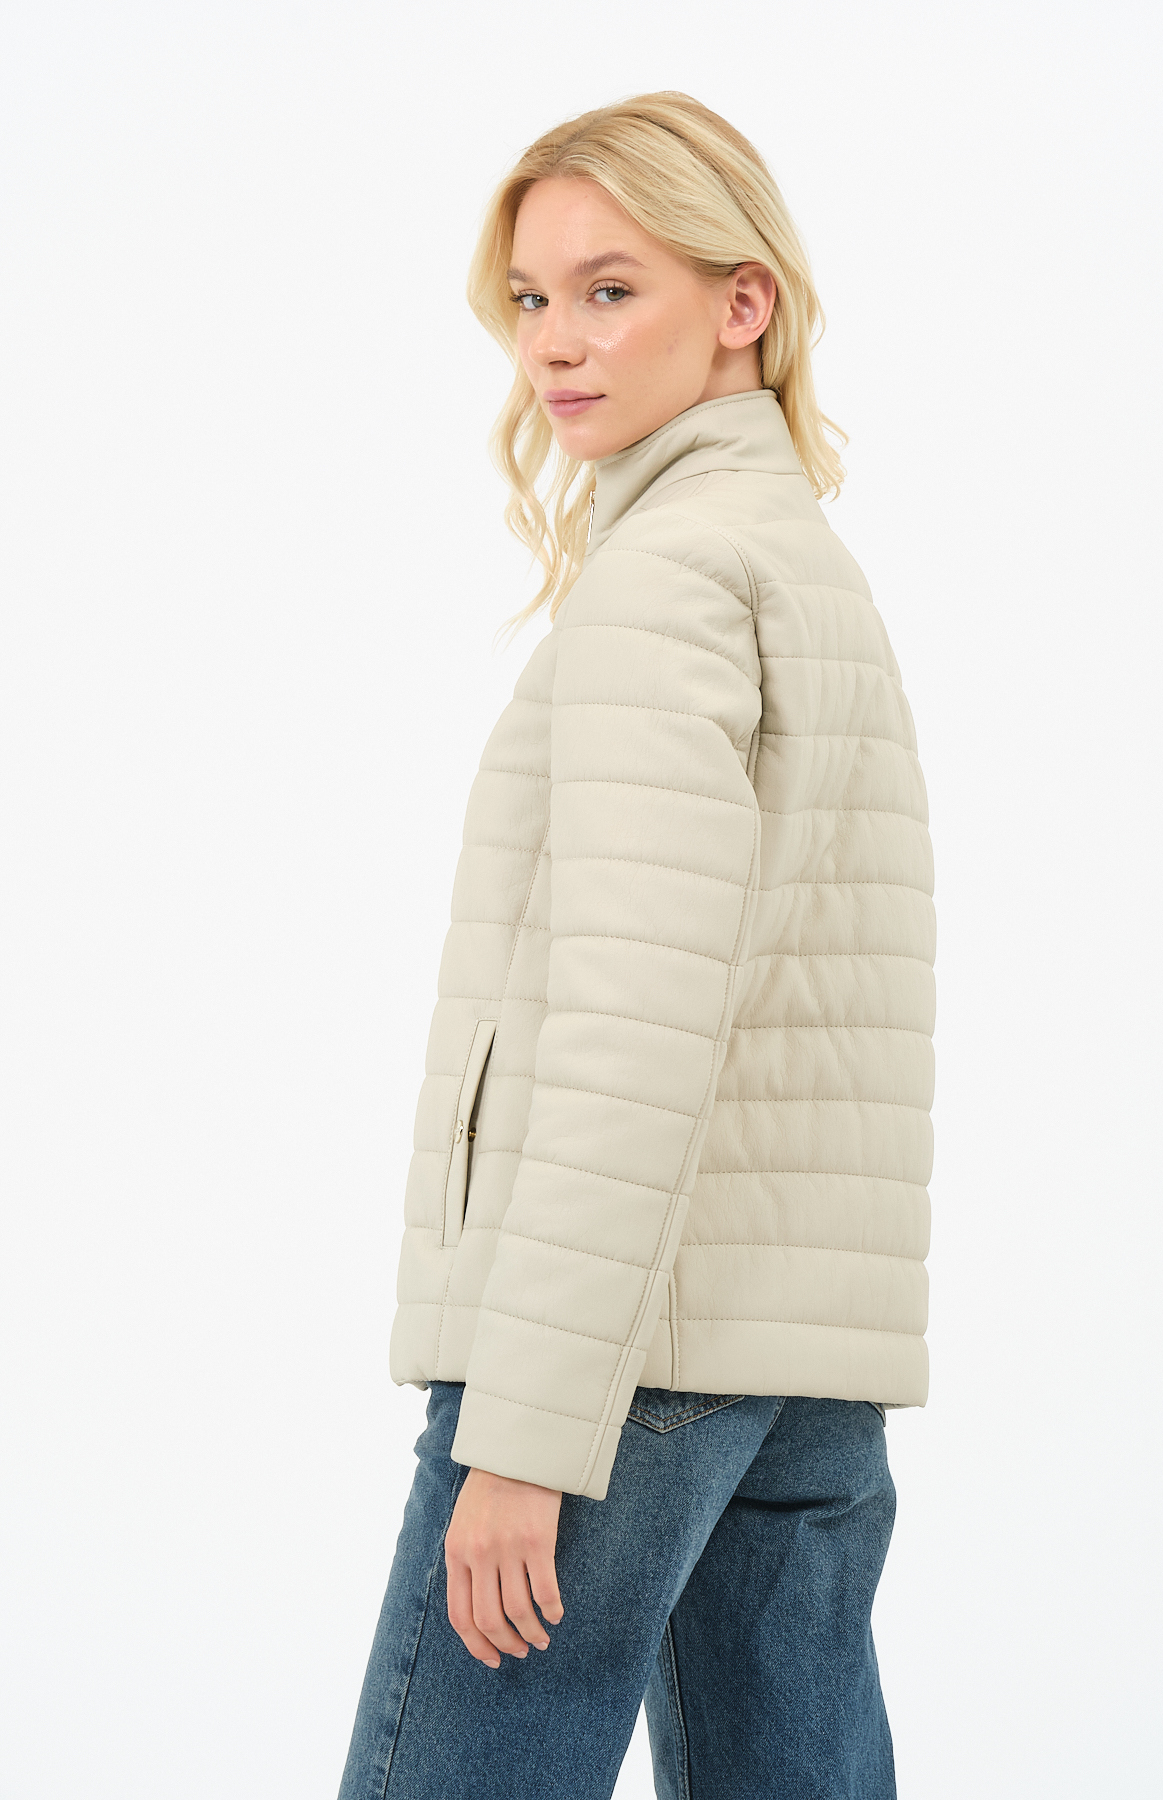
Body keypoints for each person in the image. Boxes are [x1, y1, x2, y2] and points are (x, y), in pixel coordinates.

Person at [337, 91, 934, 1800]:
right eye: (533, 299)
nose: (554, 343)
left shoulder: (669, 581)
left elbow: (629, 1028)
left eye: (611, 290)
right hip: (791, 1363)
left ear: (743, 302)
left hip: (619, 1371)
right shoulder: (798, 565)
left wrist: (527, 1434)